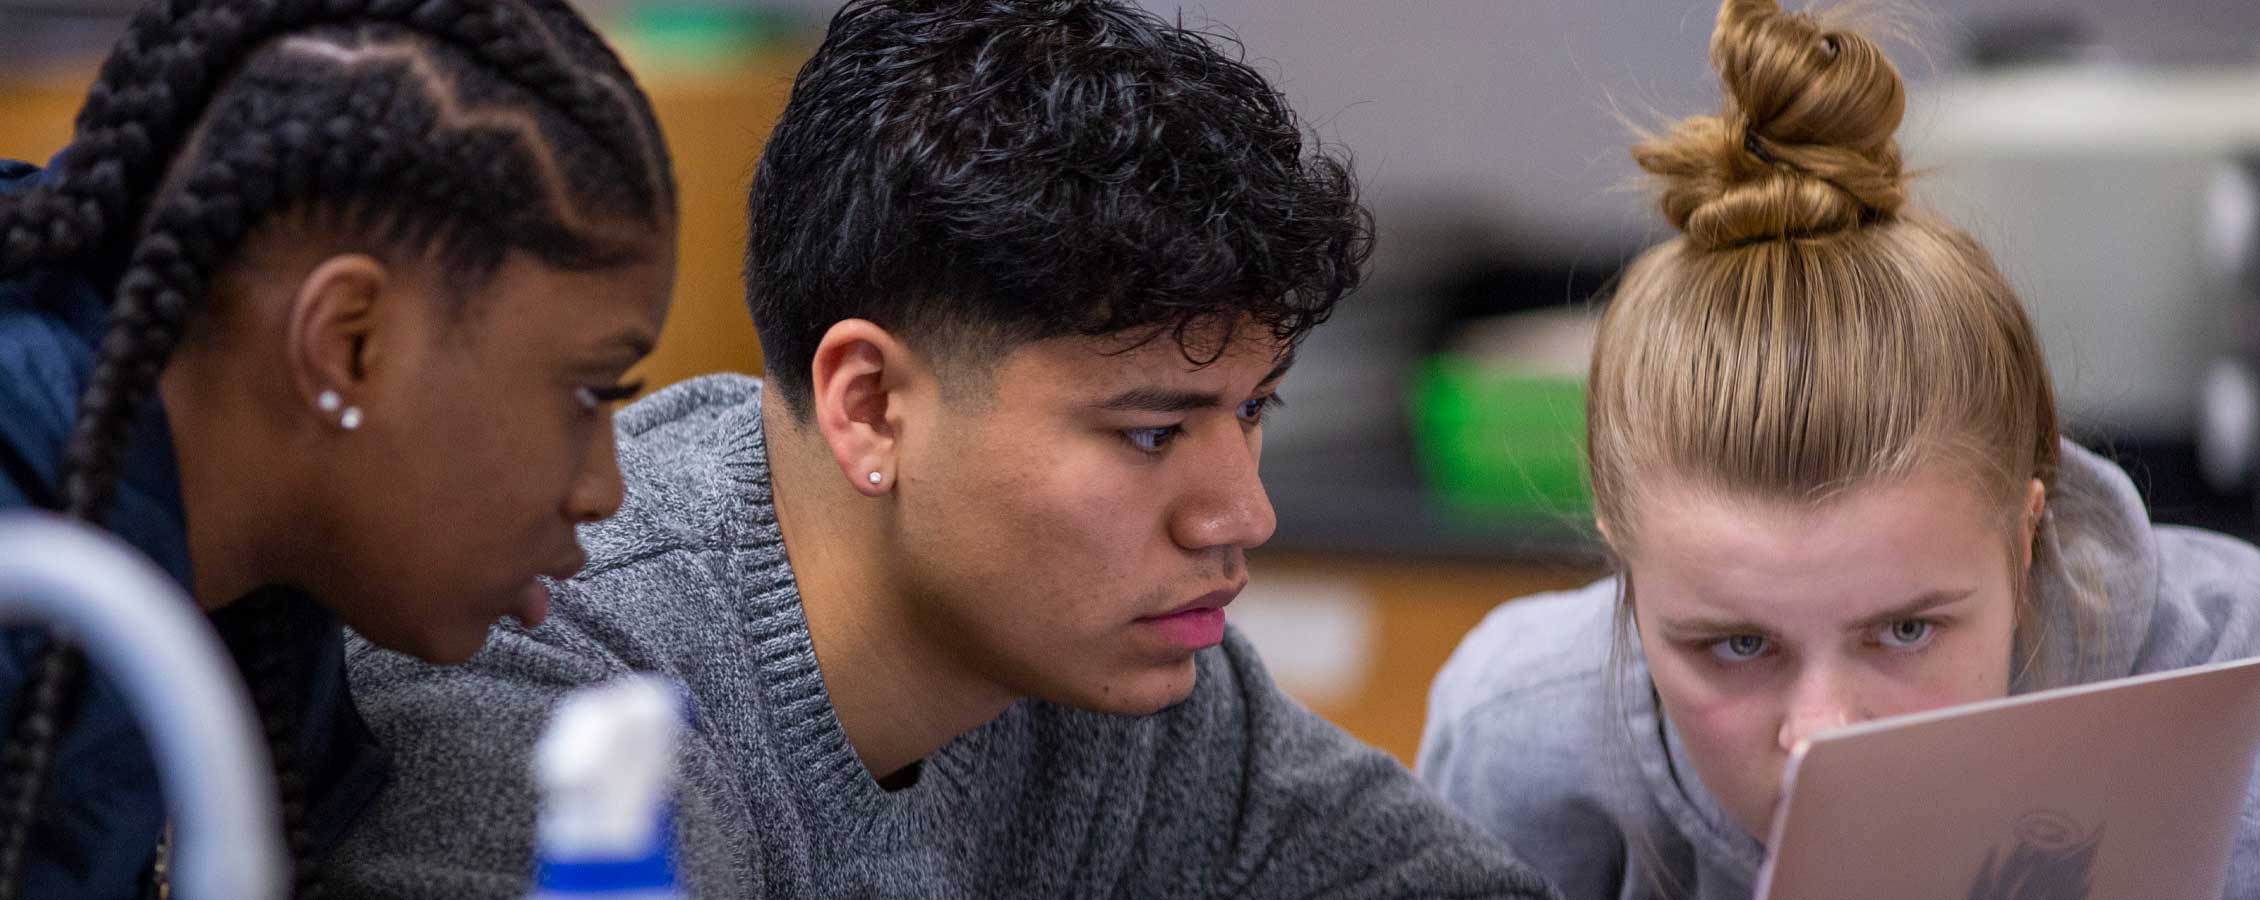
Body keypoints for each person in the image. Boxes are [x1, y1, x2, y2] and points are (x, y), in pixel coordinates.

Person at [328, 1, 1561, 897]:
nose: (1238, 515)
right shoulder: (552, 680)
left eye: (1252, 413)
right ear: (868, 405)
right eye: (1147, 433)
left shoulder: (1127, 680)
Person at [1417, 1, 2260, 898]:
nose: (1823, 736)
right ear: (1626, 574)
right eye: (1738, 645)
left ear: (2025, 536)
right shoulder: (1517, 735)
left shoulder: (2233, 676)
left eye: (1905, 631)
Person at [0, 1, 677, 896]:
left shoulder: (271, 589)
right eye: (589, 392)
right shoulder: (37, 576)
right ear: (349, 343)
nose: (606, 491)